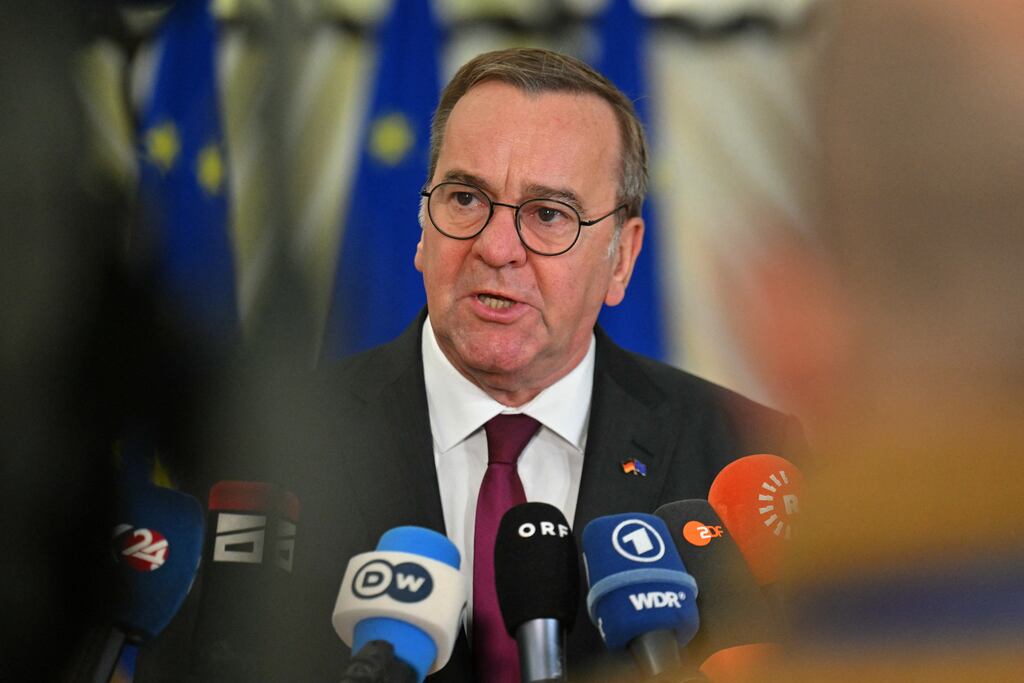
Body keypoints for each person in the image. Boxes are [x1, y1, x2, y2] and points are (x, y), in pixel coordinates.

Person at [137, 48, 805, 683]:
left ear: (622, 258)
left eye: (549, 214)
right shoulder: (261, 446)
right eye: (464, 199)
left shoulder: (743, 454)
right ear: (422, 227)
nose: (496, 246)